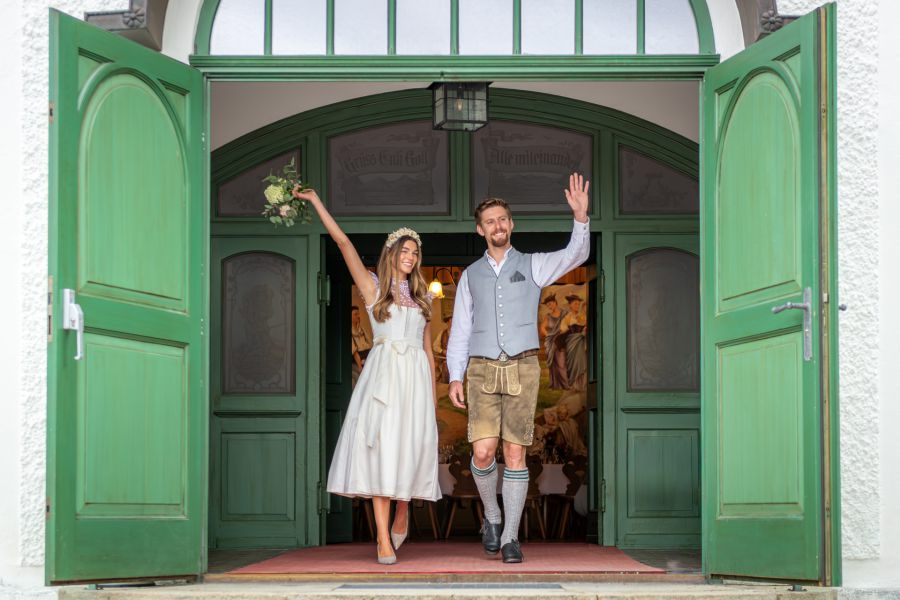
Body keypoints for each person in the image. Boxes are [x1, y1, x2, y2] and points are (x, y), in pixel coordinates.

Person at [292, 187, 441, 565]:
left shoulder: (423, 297)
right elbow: (342, 244)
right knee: (382, 449)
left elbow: (427, 349)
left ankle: (404, 510)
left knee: (411, 448)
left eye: (415, 253)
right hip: (384, 377)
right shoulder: (373, 286)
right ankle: (382, 538)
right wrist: (315, 203)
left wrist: (434, 394)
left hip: (416, 380)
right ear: (392, 254)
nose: (410, 257)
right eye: (404, 251)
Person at [446, 173, 590, 563]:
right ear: (480, 229)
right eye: (490, 221)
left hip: (524, 368)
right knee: (481, 452)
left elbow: (574, 256)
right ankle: (491, 515)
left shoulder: (533, 265)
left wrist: (580, 218)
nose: (498, 225)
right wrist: (455, 376)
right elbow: (459, 329)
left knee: (514, 453)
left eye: (503, 219)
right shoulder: (469, 276)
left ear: (512, 225)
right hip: (480, 369)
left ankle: (510, 537)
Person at [539, 294, 569, 390]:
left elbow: (569, 325)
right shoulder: (548, 316)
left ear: (555, 303)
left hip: (561, 341)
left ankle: (566, 385)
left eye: (550, 304)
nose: (549, 306)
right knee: (553, 364)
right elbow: (542, 328)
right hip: (551, 342)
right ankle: (555, 385)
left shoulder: (564, 314)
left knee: (561, 363)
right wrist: (548, 334)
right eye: (548, 305)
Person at [559, 294, 588, 390]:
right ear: (570, 305)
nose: (577, 306)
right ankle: (574, 385)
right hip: (571, 344)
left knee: (582, 363)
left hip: (581, 344)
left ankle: (582, 385)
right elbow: (563, 329)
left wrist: (584, 331)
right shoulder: (567, 318)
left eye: (578, 304)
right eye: (575, 304)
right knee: (573, 364)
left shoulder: (582, 316)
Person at [350, 305, 372, 388]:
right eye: (355, 314)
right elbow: (355, 353)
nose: (358, 316)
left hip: (366, 359)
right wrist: (360, 367)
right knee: (360, 379)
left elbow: (370, 344)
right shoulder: (350, 332)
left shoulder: (361, 329)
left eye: (358, 314)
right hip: (356, 362)